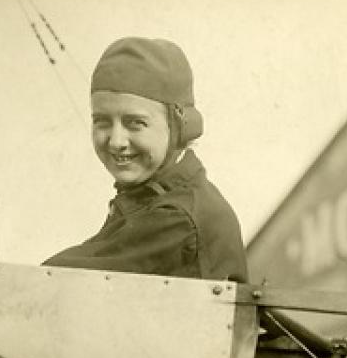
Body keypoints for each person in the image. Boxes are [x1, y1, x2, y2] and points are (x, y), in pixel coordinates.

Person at [43, 37, 247, 282]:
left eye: (135, 123)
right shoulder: (156, 199)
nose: (116, 141)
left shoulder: (176, 219)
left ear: (181, 126)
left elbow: (55, 280)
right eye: (102, 121)